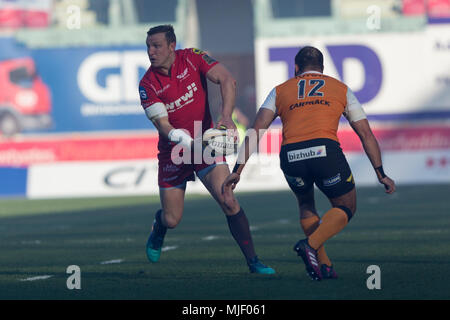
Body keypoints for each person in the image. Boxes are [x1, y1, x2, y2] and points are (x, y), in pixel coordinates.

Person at [222, 46, 396, 281]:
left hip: (291, 156)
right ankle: (310, 246)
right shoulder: (340, 89)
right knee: (346, 206)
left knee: (305, 203)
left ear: (296, 68)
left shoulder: (280, 91)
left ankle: (324, 265)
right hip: (325, 153)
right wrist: (380, 172)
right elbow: (365, 133)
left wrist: (237, 170)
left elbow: (256, 130)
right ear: (322, 69)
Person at [138, 24, 274, 274]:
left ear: (171, 46)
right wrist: (190, 144)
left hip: (206, 141)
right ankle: (159, 226)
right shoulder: (147, 84)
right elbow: (163, 126)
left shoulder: (193, 57)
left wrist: (226, 116)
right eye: (148, 46)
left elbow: (227, 79)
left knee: (228, 199)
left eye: (156, 46)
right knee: (172, 219)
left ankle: (254, 262)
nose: (151, 51)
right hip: (174, 151)